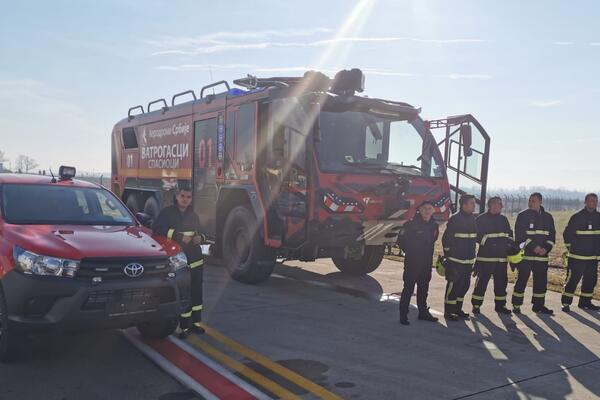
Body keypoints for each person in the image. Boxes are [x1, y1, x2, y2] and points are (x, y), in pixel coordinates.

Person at [153, 183, 207, 337]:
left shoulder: (193, 215)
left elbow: (203, 233)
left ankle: (196, 323)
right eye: (182, 196)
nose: (185, 199)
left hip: (196, 260)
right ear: (176, 196)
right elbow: (158, 229)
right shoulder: (167, 213)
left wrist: (200, 238)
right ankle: (184, 327)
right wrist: (178, 236)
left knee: (197, 291)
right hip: (179, 260)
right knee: (184, 292)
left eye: (188, 197)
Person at [511, 192, 556, 314]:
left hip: (542, 257)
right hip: (526, 256)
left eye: (533, 201)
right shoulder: (523, 216)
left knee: (541, 282)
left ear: (540, 202)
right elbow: (520, 236)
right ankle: (516, 304)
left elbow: (552, 236)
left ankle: (539, 305)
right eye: (529, 200)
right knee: (522, 280)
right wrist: (534, 247)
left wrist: (545, 249)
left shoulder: (548, 217)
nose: (530, 203)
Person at [398, 201, 439, 325]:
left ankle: (423, 313)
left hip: (426, 263)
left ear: (433, 211)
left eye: (430, 208)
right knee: (408, 289)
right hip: (412, 263)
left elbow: (434, 240)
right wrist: (411, 252)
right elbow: (401, 241)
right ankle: (403, 315)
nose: (427, 211)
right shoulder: (410, 225)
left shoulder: (434, 226)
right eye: (424, 208)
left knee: (423, 289)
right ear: (419, 210)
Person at [470, 197, 513, 315]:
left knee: (501, 283)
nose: (501, 206)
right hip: (486, 258)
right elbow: (477, 236)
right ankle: (476, 305)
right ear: (492, 205)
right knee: (482, 283)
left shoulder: (504, 219)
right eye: (499, 204)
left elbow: (509, 233)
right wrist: (490, 243)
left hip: (501, 259)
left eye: (501, 204)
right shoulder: (481, 219)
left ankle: (500, 306)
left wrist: (509, 243)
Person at [561, 193, 600, 312]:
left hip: (593, 257)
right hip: (577, 257)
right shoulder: (577, 217)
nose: (594, 203)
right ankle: (566, 303)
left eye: (595, 201)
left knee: (590, 280)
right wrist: (571, 249)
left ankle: (585, 303)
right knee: (572, 280)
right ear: (585, 202)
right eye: (591, 201)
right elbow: (567, 235)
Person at [442, 194, 477, 321]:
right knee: (453, 286)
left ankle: (457, 309)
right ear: (464, 205)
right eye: (472, 203)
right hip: (456, 261)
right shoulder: (455, 219)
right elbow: (446, 239)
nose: (474, 205)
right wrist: (449, 258)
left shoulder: (472, 218)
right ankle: (449, 312)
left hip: (468, 261)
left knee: (464, 286)